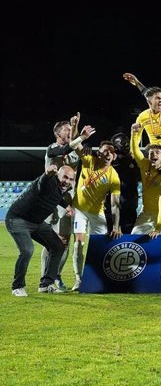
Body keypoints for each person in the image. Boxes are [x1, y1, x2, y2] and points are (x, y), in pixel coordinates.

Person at [8, 164, 76, 296]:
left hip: (37, 222)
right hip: (18, 219)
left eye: (70, 179)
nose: (67, 181)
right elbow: (42, 183)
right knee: (27, 250)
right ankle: (17, 286)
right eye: (65, 177)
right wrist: (47, 173)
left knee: (58, 246)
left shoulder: (62, 188)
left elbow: (56, 197)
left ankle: (46, 284)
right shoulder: (49, 181)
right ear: (57, 176)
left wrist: (67, 206)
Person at [71, 129, 123, 291]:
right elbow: (74, 145)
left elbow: (115, 204)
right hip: (79, 209)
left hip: (97, 212)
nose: (108, 154)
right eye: (105, 151)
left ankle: (97, 278)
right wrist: (78, 130)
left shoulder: (114, 176)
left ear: (114, 156)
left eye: (111, 152)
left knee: (100, 246)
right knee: (78, 244)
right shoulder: (88, 160)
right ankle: (79, 279)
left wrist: (115, 226)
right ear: (98, 153)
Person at [41, 114, 81, 291]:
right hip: (53, 202)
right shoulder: (52, 149)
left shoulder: (73, 152)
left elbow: (76, 147)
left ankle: (55, 276)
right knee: (52, 241)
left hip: (68, 202)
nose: (70, 132)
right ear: (58, 133)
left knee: (64, 241)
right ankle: (46, 279)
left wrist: (76, 127)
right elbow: (63, 151)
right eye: (67, 130)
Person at [130, 123, 161, 237]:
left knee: (160, 241)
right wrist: (134, 134)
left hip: (160, 214)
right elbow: (135, 150)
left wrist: (158, 228)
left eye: (157, 153)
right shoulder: (145, 165)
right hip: (145, 213)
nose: (153, 155)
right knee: (134, 236)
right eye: (151, 153)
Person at [124, 72, 161, 148]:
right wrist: (133, 151)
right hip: (156, 154)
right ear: (149, 102)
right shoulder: (142, 116)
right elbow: (137, 137)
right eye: (158, 98)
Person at [106, 131, 140, 233]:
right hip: (111, 203)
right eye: (120, 144)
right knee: (110, 234)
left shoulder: (135, 160)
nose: (124, 145)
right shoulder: (108, 161)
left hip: (129, 203)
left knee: (128, 234)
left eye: (125, 143)